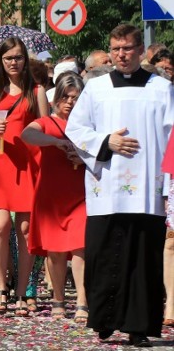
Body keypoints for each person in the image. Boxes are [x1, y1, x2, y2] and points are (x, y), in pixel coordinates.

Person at [68, 24, 174, 346]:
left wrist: (169, 183)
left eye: (127, 48)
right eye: (116, 49)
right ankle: (103, 317)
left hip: (148, 186)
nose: (121, 54)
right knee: (102, 252)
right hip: (108, 186)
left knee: (145, 257)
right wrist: (106, 140)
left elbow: (172, 136)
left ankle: (138, 326)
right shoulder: (96, 88)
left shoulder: (161, 88)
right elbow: (76, 127)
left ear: (141, 51)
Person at [0, 37, 48, 316]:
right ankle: (1, 286)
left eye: (18, 57)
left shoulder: (36, 90)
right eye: (8, 58)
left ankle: (23, 290)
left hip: (27, 163)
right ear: (0, 62)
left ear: (25, 59)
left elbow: (45, 129)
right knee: (0, 225)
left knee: (25, 230)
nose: (13, 63)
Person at [20, 73, 88, 322]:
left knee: (81, 248)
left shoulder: (87, 124)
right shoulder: (47, 122)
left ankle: (82, 301)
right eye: (65, 97)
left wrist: (81, 157)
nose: (69, 102)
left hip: (80, 194)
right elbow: (27, 135)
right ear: (56, 97)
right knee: (56, 251)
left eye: (75, 98)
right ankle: (58, 299)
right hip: (50, 196)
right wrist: (55, 142)